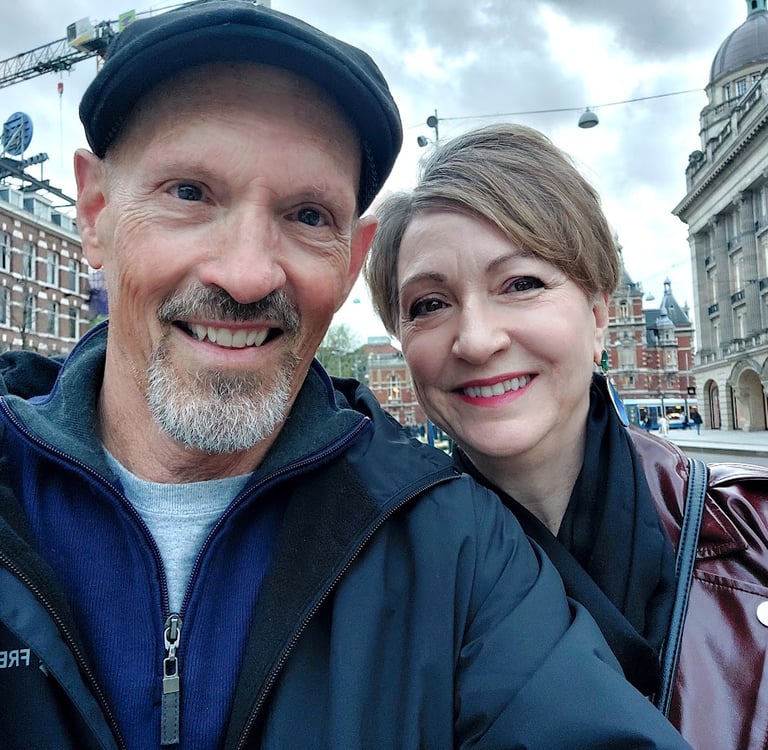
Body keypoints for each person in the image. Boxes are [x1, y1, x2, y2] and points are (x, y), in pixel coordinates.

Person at [0, 4, 691, 749]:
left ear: (351, 259)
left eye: (307, 214)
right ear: (95, 211)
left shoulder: (451, 545)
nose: (245, 273)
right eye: (189, 193)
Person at [365, 122, 768, 750]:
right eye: (428, 304)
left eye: (521, 284)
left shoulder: (756, 540)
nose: (476, 339)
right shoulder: (362, 582)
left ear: (601, 314)